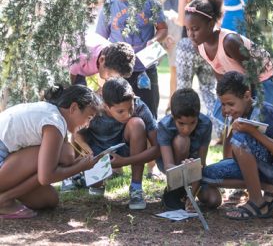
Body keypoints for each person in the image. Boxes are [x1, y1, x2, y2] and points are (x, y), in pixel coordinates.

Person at [202, 71, 273, 220]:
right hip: (263, 166)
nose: (226, 109)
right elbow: (231, 149)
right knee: (208, 175)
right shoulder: (238, 114)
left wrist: (252, 131)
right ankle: (271, 188)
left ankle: (257, 203)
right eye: (223, 104)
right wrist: (230, 121)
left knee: (241, 140)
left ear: (247, 96)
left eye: (230, 104)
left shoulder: (264, 111)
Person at [0, 84, 100, 219]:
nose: (87, 125)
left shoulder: (52, 114)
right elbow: (46, 177)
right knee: (65, 154)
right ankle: (4, 200)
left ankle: (5, 196)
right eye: (89, 118)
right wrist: (80, 167)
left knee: (50, 199)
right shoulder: (54, 122)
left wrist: (77, 163)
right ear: (74, 108)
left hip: (6, 164)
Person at [184, 0, 273, 117]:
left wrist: (244, 103)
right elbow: (219, 72)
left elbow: (252, 71)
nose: (190, 34)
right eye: (187, 29)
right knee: (238, 125)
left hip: (263, 81)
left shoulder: (229, 42)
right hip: (244, 85)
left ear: (210, 24)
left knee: (270, 124)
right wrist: (224, 98)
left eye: (195, 29)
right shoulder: (199, 46)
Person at [96, 0, 167, 119]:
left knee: (149, 111)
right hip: (118, 71)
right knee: (120, 114)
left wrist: (154, 40)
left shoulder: (148, 1)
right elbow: (100, 39)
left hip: (145, 67)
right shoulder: (108, 7)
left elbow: (163, 28)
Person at [74, 77, 160, 210]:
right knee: (95, 186)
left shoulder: (140, 107)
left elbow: (157, 148)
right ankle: (83, 179)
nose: (127, 115)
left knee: (137, 123)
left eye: (130, 108)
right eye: (120, 111)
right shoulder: (93, 109)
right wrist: (90, 153)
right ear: (106, 106)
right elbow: (76, 135)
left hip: (124, 151)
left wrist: (125, 161)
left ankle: (136, 188)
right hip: (97, 154)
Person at [174, 0, 222, 137]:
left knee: (184, 89)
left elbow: (181, 20)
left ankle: (182, 126)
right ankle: (219, 129)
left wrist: (173, 18)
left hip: (188, 44)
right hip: (208, 46)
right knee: (209, 89)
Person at [157, 88, 221, 210]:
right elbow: (168, 165)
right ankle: (175, 189)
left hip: (195, 171)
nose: (187, 129)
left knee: (214, 200)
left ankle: (186, 194)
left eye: (192, 123)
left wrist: (192, 195)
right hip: (174, 168)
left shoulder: (205, 124)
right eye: (181, 123)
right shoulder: (165, 126)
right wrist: (183, 168)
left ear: (198, 117)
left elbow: (201, 163)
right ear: (173, 116)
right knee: (182, 140)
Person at [65, 35, 135, 86]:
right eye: (109, 75)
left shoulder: (110, 54)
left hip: (80, 69)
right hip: (64, 66)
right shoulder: (83, 57)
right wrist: (69, 88)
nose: (109, 79)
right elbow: (69, 80)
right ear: (101, 59)